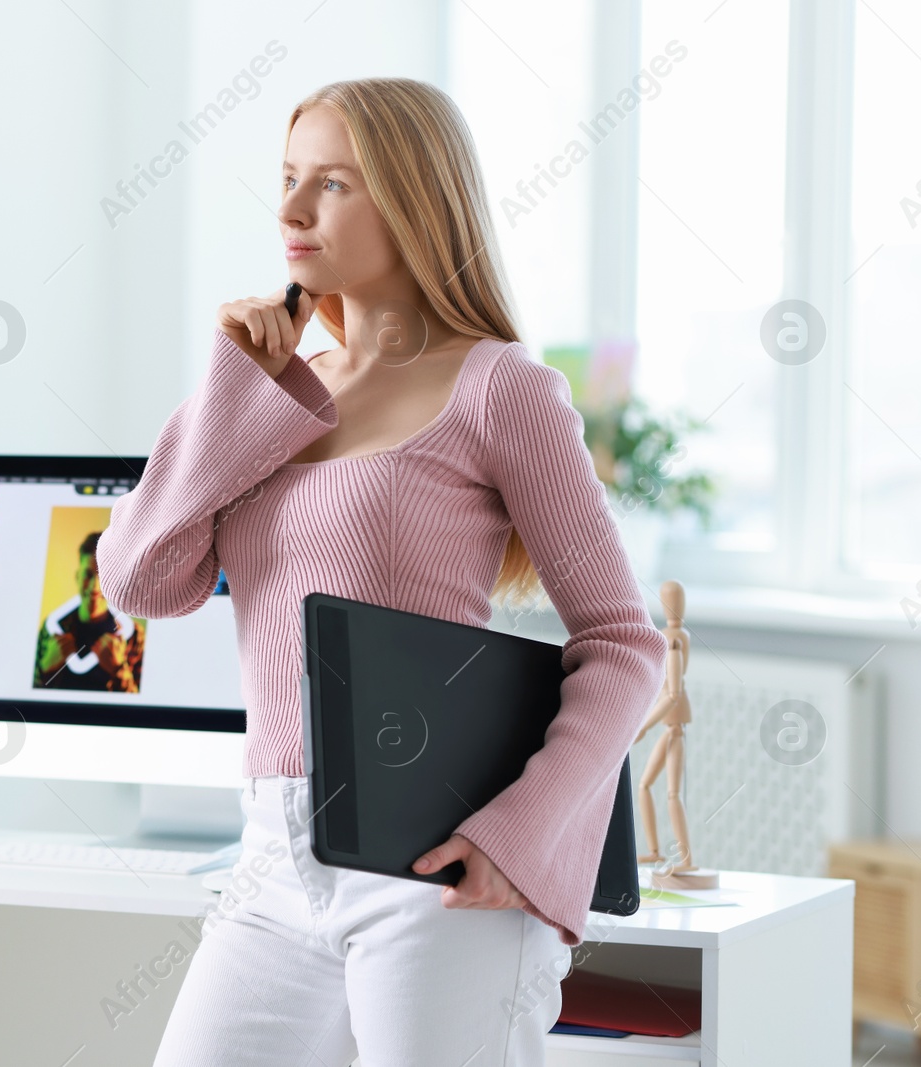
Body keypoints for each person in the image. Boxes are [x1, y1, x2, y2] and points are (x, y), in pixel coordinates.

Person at [94, 77, 668, 1066]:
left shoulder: (500, 389)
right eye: (285, 179)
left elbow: (623, 643)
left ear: (413, 200)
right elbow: (143, 581)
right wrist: (236, 379)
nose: (288, 210)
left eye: (331, 184)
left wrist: (518, 832)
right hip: (272, 857)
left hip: (440, 862)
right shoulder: (277, 395)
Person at [33, 531, 144, 692]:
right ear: (77, 577)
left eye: (105, 577)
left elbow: (140, 709)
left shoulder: (134, 636)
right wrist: (46, 668)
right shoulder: (52, 629)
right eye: (88, 574)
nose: (94, 587)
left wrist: (118, 669)